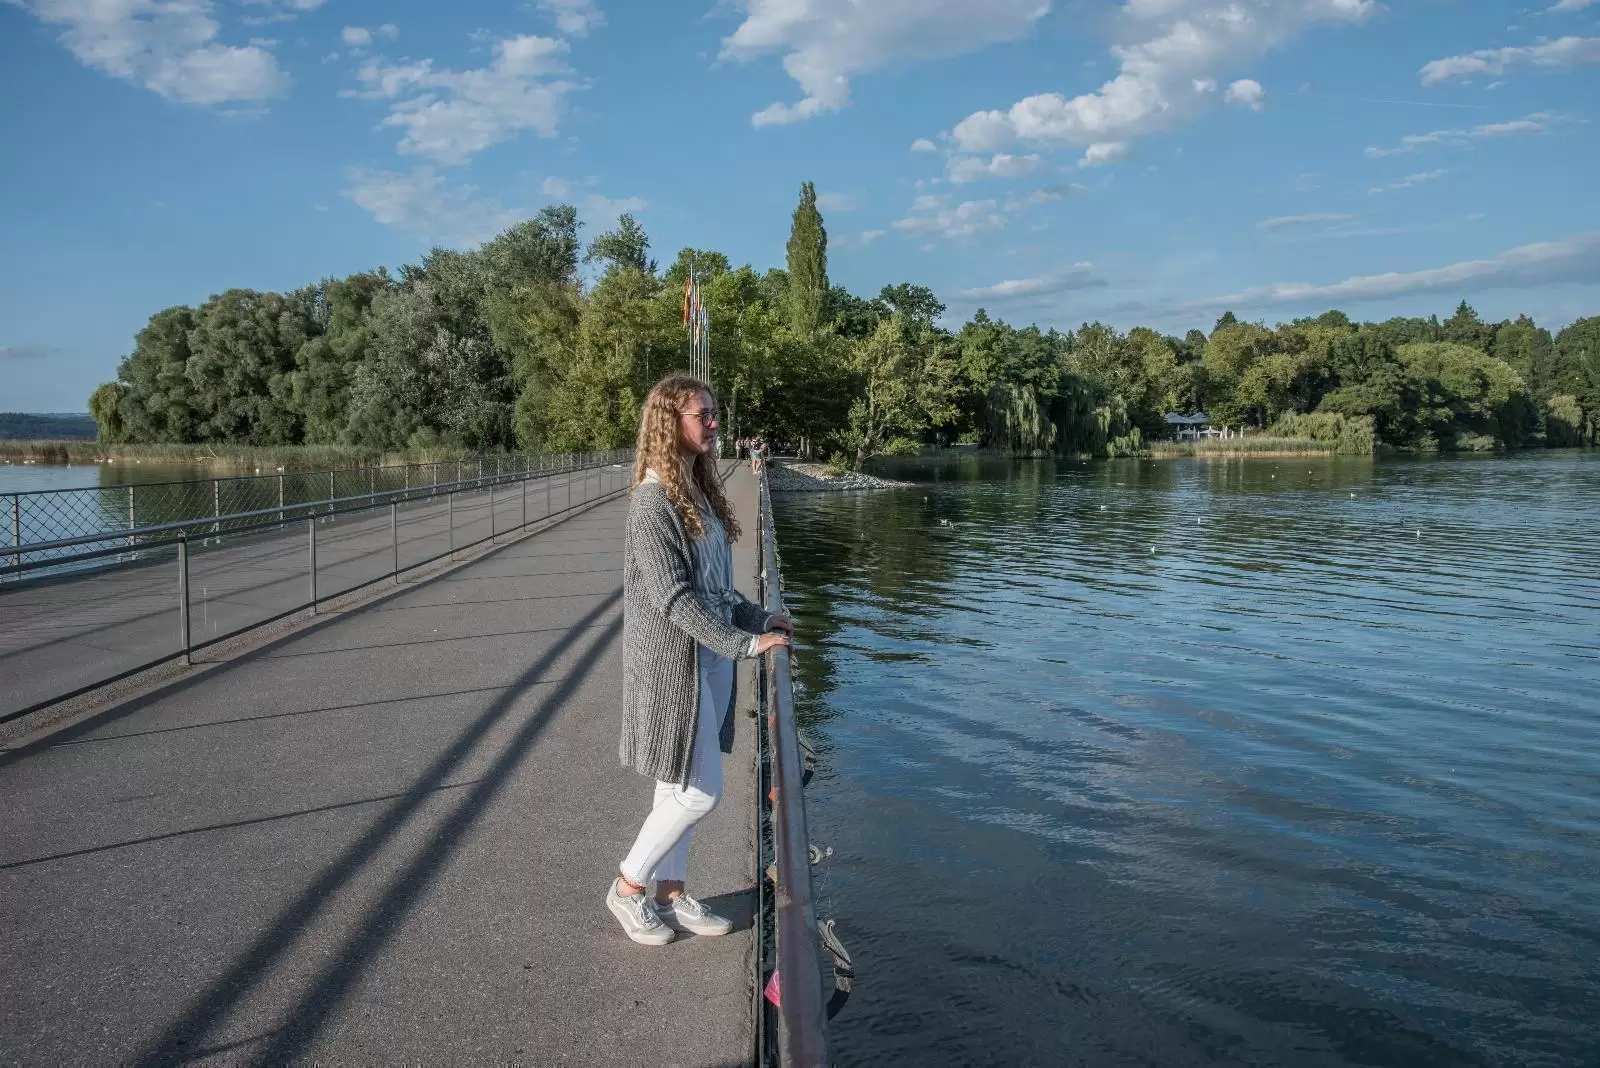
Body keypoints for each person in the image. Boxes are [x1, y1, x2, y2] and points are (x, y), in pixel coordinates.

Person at [610, 373, 793, 945]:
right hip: (674, 669)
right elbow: (673, 600)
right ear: (670, 423)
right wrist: (744, 644)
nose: (715, 423)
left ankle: (670, 892)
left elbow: (715, 591)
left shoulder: (697, 492)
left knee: (674, 788)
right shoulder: (652, 501)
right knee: (698, 793)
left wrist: (759, 618)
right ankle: (628, 888)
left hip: (708, 661)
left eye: (714, 413)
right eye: (703, 415)